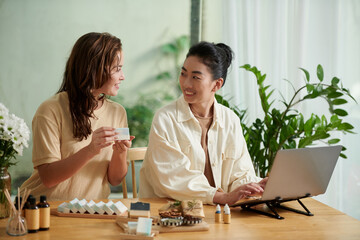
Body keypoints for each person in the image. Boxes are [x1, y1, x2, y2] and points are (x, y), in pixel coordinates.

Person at [139, 41, 267, 205]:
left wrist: (256, 185)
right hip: (170, 214)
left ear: (217, 84)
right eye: (183, 73)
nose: (186, 83)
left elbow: (240, 173)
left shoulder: (230, 120)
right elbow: (175, 178)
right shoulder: (165, 119)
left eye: (195, 77)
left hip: (216, 214)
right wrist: (222, 197)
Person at [21, 32, 134, 201]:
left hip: (92, 211)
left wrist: (120, 153)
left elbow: (115, 179)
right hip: (45, 209)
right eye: (117, 69)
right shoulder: (50, 110)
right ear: (94, 70)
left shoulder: (117, 112)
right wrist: (90, 150)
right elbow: (48, 178)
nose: (122, 76)